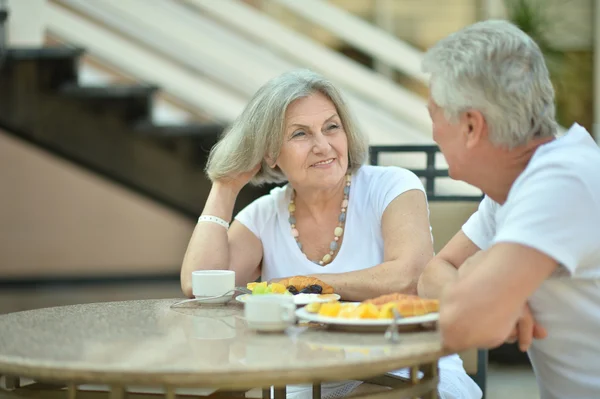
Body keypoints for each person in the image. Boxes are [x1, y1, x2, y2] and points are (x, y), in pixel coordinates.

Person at [180, 69, 482, 399]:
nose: (322, 146)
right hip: (303, 383)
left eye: (331, 127)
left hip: (402, 370)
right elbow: (199, 285)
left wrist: (306, 286)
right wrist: (225, 185)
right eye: (300, 134)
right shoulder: (264, 215)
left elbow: (410, 277)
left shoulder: (392, 186)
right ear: (269, 153)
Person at [417, 19, 600, 399]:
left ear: (470, 126)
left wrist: (481, 280)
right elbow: (433, 273)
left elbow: (463, 325)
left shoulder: (562, 182)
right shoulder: (516, 185)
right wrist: (489, 293)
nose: (432, 129)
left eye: (434, 112)